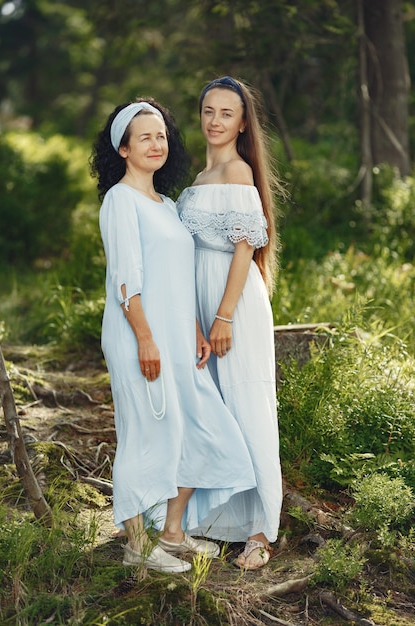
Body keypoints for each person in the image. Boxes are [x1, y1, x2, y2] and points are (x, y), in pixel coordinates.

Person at [90, 98, 257, 573]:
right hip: (137, 338)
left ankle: (173, 533)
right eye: (144, 136)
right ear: (122, 148)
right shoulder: (119, 200)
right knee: (145, 436)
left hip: (180, 341)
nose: (156, 143)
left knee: (202, 429)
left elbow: (178, 279)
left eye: (161, 135)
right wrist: (145, 338)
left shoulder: (166, 204)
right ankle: (137, 547)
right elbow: (127, 279)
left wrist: (197, 330)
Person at [177, 77, 284, 570]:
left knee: (246, 403)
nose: (215, 121)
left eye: (226, 113)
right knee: (212, 410)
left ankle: (261, 532)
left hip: (233, 306)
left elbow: (245, 247)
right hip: (202, 304)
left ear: (243, 123)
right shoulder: (201, 178)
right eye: (208, 111)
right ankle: (220, 521)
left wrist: (222, 316)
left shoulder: (239, 172)